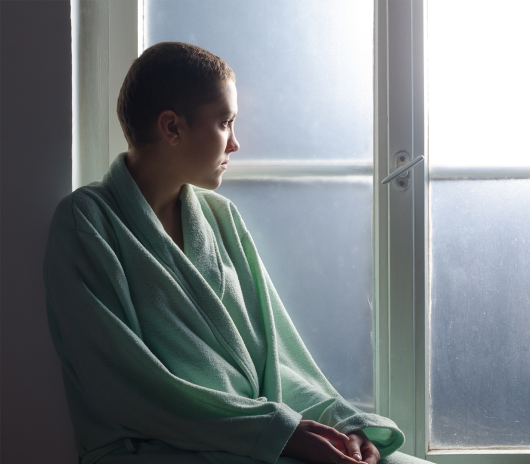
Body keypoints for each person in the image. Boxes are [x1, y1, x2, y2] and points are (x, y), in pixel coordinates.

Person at [44, 42, 423, 464]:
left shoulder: (222, 218)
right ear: (171, 128)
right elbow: (123, 385)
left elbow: (280, 360)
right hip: (155, 449)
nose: (235, 144)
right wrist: (281, 432)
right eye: (225, 122)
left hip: (259, 434)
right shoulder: (86, 223)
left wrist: (341, 425)